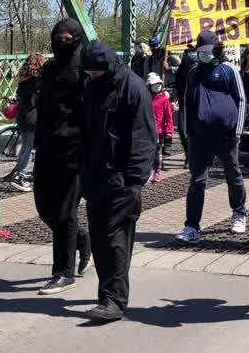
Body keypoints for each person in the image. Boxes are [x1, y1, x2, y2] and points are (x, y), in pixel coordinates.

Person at [78, 42, 157, 323]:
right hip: (95, 176)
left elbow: (144, 137)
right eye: (89, 71)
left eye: (96, 71)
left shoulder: (133, 89)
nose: (92, 75)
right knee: (100, 238)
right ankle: (107, 293)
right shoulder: (92, 86)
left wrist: (134, 179)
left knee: (116, 239)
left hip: (122, 180)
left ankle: (114, 299)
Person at [34, 19, 91, 295]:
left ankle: (63, 272)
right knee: (44, 207)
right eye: (57, 37)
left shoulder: (84, 71)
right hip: (47, 148)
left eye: (68, 38)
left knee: (66, 211)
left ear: (78, 39)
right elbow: (43, 106)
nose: (61, 41)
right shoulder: (49, 69)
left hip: (74, 150)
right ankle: (81, 238)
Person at [176, 30, 247, 243]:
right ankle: (191, 226)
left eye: (207, 51)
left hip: (225, 136)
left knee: (233, 175)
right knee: (197, 181)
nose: (203, 55)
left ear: (217, 49)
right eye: (201, 51)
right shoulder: (194, 72)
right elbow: (188, 103)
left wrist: (237, 132)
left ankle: (239, 212)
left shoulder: (228, 70)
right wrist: (188, 133)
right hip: (199, 137)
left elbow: (241, 100)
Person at [7, 53, 44, 192]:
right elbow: (37, 100)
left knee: (25, 147)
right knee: (29, 148)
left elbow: (21, 97)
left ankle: (20, 172)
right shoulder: (37, 82)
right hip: (32, 118)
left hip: (22, 117)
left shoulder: (23, 80)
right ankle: (19, 175)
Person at [146, 72, 173, 183]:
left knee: (157, 152)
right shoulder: (146, 97)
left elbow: (168, 116)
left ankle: (157, 171)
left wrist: (169, 130)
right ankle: (149, 171)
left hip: (159, 130)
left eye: (158, 84)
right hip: (147, 129)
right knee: (148, 152)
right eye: (154, 84)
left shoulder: (164, 99)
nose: (156, 86)